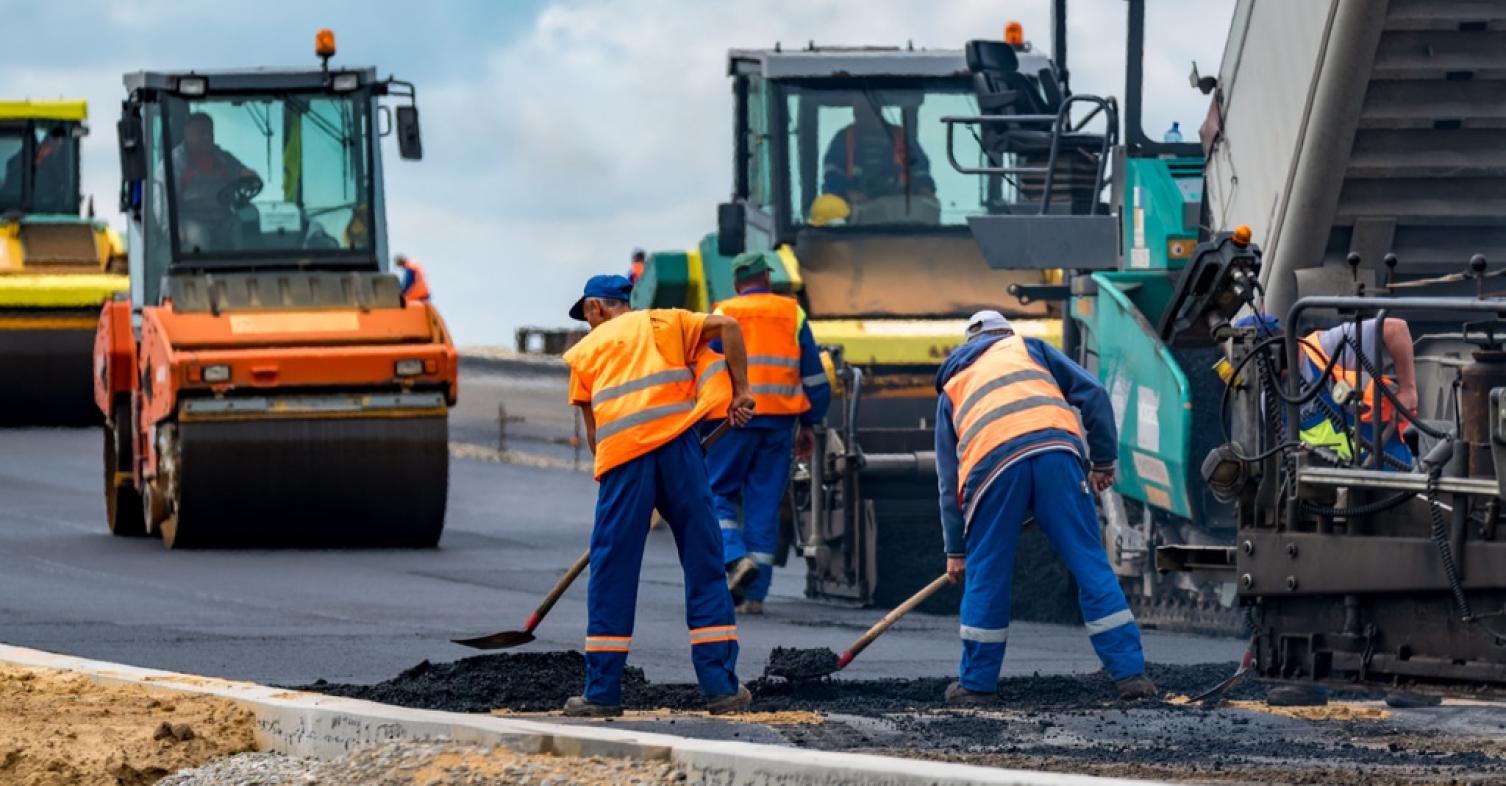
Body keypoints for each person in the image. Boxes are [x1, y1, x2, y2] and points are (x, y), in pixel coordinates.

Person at [559, 274, 757, 717]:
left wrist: (623, 495)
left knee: (612, 569)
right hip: (681, 450)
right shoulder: (667, 323)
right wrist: (741, 390)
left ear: (595, 308)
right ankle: (721, 689)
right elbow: (728, 327)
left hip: (625, 460)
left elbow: (595, 437)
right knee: (705, 563)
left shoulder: (587, 352)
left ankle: (602, 693)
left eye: (588, 315)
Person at [935, 310, 1155, 705]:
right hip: (1057, 454)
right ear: (1006, 334)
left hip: (992, 470)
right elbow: (1095, 396)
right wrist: (1103, 462)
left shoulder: (954, 382)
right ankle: (1131, 677)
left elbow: (948, 479)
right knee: (1091, 564)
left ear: (969, 345)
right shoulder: (1030, 349)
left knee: (988, 574)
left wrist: (956, 550)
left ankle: (976, 686)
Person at [705, 251, 832, 614]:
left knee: (715, 493)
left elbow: (707, 369)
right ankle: (755, 596)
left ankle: (734, 557)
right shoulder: (793, 313)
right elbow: (814, 379)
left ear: (736, 282)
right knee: (763, 504)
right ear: (767, 277)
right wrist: (811, 422)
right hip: (779, 423)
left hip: (731, 421)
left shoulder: (722, 311)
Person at [1236, 313, 1417, 468]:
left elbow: (1395, 329)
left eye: (1253, 363)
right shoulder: (1268, 399)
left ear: (1272, 351)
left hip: (1389, 472)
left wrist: (1408, 390)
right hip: (1332, 489)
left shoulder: (1326, 348)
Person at [171, 113, 261, 248]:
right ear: (187, 135)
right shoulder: (175, 163)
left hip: (222, 217)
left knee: (244, 221)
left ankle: (245, 265)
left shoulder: (222, 158)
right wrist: (171, 229)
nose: (206, 137)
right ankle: (199, 268)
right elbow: (163, 201)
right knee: (199, 236)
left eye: (209, 132)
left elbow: (242, 172)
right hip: (191, 219)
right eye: (200, 133)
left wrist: (249, 176)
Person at [820, 99, 934, 204]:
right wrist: (847, 192)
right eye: (858, 111)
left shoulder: (902, 137)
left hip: (900, 209)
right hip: (854, 214)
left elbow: (920, 168)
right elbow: (831, 172)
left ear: (878, 111)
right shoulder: (843, 138)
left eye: (865, 110)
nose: (859, 114)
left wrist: (924, 189)